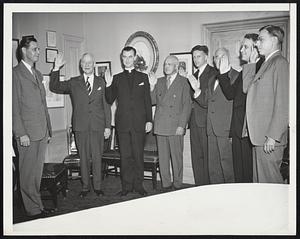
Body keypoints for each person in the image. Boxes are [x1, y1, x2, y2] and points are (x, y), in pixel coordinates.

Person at [50, 53, 111, 197]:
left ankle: (97, 186)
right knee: (83, 158)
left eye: (90, 62)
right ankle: (85, 187)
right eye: (84, 62)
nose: (87, 64)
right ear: (81, 64)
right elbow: (55, 86)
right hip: (81, 126)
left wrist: (108, 126)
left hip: (98, 126)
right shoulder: (73, 82)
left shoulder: (102, 82)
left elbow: (106, 105)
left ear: (93, 63)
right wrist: (56, 69)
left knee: (97, 157)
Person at [242, 25, 289, 183]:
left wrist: (273, 137)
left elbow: (283, 104)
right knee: (260, 182)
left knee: (270, 184)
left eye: (261, 40)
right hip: (259, 136)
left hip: (269, 138)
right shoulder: (266, 63)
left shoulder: (280, 63)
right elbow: (247, 89)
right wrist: (250, 63)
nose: (257, 44)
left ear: (274, 40)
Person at [13, 36, 52, 218]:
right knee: (27, 174)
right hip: (27, 133)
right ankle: (32, 210)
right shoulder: (15, 74)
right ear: (24, 50)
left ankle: (38, 206)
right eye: (35, 49)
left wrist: (49, 130)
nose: (38, 52)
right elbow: (14, 108)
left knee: (36, 173)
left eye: (38, 49)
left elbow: (43, 104)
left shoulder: (38, 74)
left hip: (41, 132)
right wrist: (21, 133)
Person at [217, 34, 264, 183]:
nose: (241, 50)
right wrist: (223, 74)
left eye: (245, 47)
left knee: (250, 173)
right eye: (241, 46)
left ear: (256, 49)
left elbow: (247, 90)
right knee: (239, 171)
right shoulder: (245, 69)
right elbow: (231, 94)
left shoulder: (262, 67)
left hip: (251, 129)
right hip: (239, 128)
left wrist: (250, 64)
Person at [105, 46, 152, 196]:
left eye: (130, 56)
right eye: (124, 57)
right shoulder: (116, 78)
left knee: (138, 155)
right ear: (122, 58)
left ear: (135, 58)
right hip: (123, 124)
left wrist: (149, 120)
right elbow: (109, 99)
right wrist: (108, 84)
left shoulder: (143, 78)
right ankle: (126, 187)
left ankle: (138, 186)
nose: (127, 59)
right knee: (125, 157)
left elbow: (147, 101)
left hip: (139, 122)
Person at [188, 47, 238, 184]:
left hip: (225, 129)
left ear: (228, 58)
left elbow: (235, 103)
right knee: (213, 168)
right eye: (216, 57)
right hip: (211, 129)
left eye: (222, 57)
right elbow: (206, 102)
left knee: (227, 167)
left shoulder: (236, 76)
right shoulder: (212, 79)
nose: (218, 60)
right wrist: (197, 90)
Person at [149, 55, 192, 190]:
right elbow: (152, 101)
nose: (166, 66)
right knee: (163, 158)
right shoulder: (159, 81)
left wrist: (182, 125)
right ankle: (166, 184)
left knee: (176, 158)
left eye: (169, 64)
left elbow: (187, 105)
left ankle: (178, 184)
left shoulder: (184, 82)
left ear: (176, 66)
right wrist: (151, 86)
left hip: (175, 126)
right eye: (165, 64)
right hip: (161, 125)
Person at [188, 45, 218, 186]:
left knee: (208, 158)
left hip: (207, 121)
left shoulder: (213, 73)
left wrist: (198, 89)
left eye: (198, 56)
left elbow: (209, 99)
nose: (195, 59)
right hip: (193, 121)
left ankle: (208, 188)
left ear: (206, 56)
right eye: (194, 56)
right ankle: (199, 187)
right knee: (196, 157)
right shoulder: (193, 76)